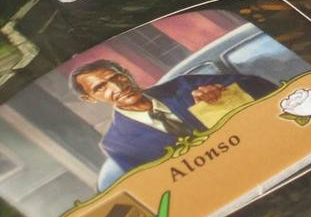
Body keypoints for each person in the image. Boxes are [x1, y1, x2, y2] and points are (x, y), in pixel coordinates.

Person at [70, 59, 277, 176]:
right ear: (90, 99)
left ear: (127, 73)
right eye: (101, 87)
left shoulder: (184, 86)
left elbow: (262, 87)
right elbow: (158, 189)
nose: (117, 87)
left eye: (117, 77)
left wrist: (222, 92)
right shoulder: (117, 145)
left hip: (267, 157)